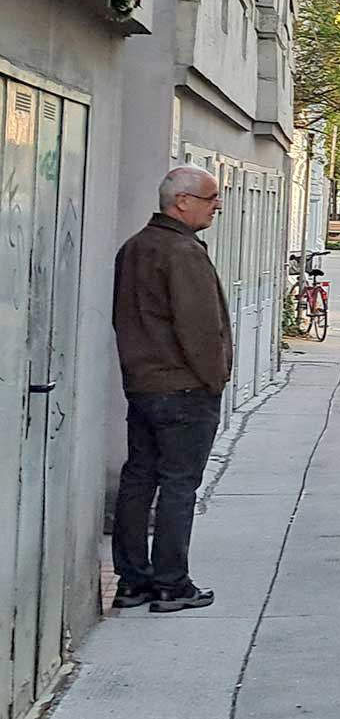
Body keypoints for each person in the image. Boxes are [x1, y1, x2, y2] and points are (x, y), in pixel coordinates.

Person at [111, 165, 231, 613]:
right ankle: (170, 583)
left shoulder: (136, 247)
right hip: (183, 389)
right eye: (210, 197)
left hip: (142, 385)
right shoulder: (182, 252)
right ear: (182, 201)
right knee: (179, 485)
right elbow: (200, 328)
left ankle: (132, 581)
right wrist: (214, 379)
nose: (216, 205)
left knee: (139, 478)